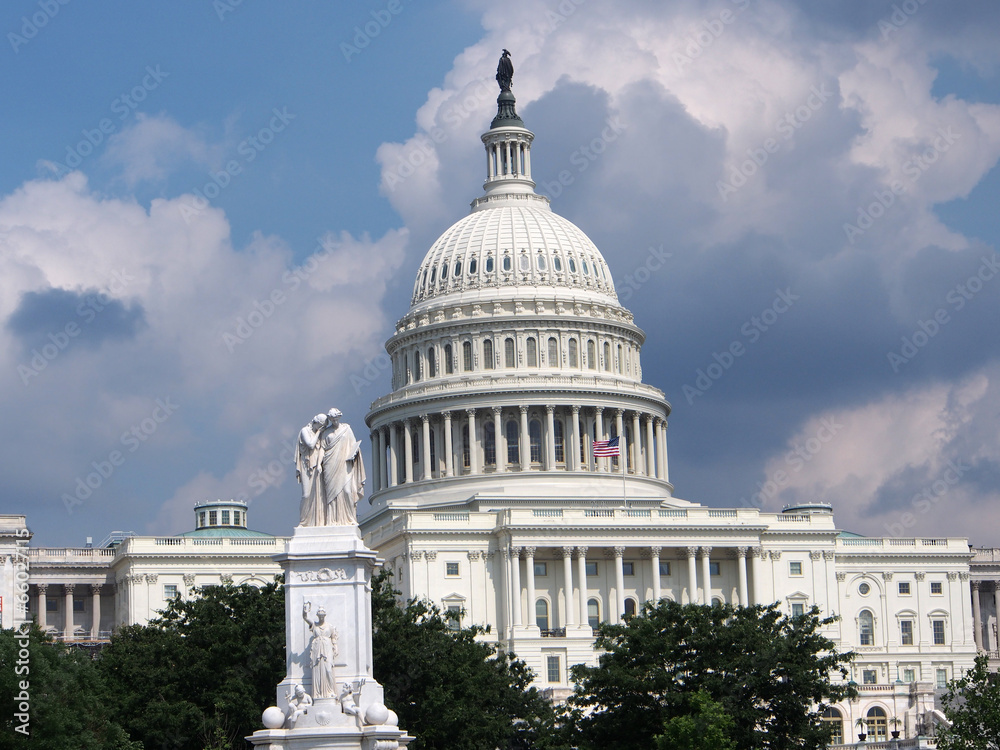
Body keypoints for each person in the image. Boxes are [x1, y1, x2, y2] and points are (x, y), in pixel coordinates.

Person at [317, 408, 366, 526]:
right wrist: (319, 464)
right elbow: (322, 449)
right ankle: (332, 520)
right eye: (332, 419)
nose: (334, 421)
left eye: (336, 418)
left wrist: (354, 454)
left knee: (347, 491)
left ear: (339, 418)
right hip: (330, 463)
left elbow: (354, 445)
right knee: (331, 494)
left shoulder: (346, 430)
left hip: (345, 464)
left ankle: (349, 518)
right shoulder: (326, 433)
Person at [295, 414, 327, 526]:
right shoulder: (305, 431)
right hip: (306, 465)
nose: (322, 428)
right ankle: (303, 521)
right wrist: (318, 432)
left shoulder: (320, 434)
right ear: (317, 422)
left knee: (318, 494)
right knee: (306, 494)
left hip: (316, 466)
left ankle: (317, 521)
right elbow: (310, 445)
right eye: (321, 425)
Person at [302, 602, 338, 698]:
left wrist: (336, 647)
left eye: (322, 616)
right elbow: (305, 618)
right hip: (317, 648)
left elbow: (333, 637)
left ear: (325, 616)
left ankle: (330, 691)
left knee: (328, 669)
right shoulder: (315, 625)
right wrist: (305, 611)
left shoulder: (330, 626)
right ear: (318, 616)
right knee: (317, 671)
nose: (321, 617)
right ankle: (318, 693)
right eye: (319, 616)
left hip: (327, 647)